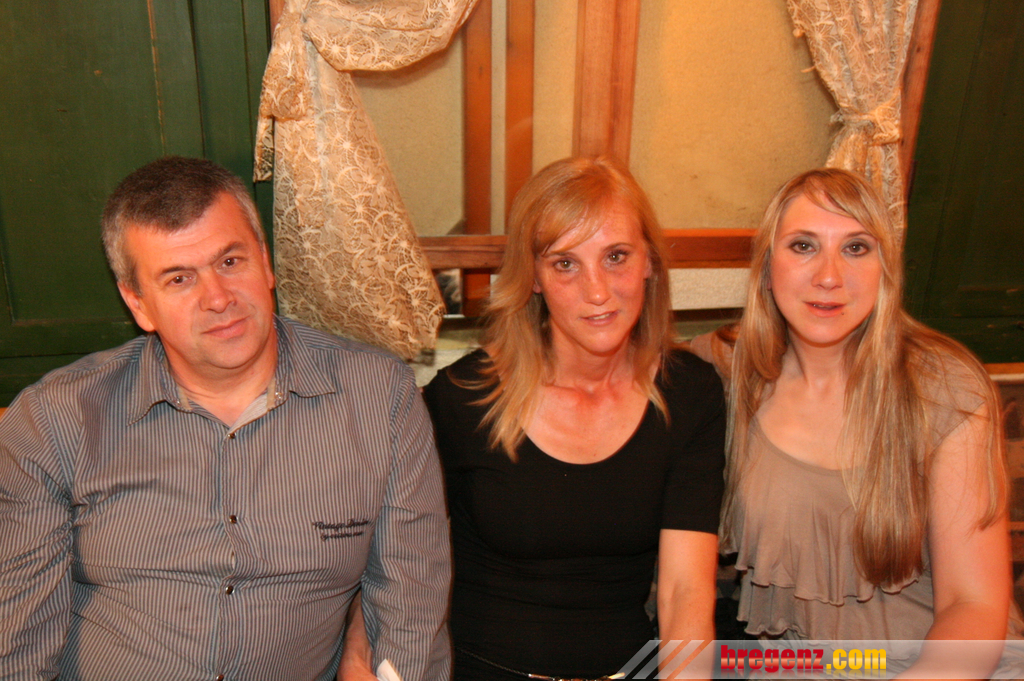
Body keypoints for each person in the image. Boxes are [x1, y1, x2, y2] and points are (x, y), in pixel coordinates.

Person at [0, 157, 451, 681]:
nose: (217, 299)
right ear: (138, 303)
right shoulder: (56, 420)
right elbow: (17, 641)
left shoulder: (380, 397)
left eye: (231, 261)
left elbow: (409, 604)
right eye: (179, 278)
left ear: (265, 262)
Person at [396, 156, 724, 680]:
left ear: (649, 261)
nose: (597, 291)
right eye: (565, 264)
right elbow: (396, 564)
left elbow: (686, 592)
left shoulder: (689, 393)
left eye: (616, 256)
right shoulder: (462, 399)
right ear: (534, 278)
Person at [692, 167, 1022, 677]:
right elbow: (616, 368)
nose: (829, 276)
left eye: (856, 248)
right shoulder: (729, 369)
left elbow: (973, 605)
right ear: (767, 266)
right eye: (803, 246)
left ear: (884, 268)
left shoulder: (945, 388)